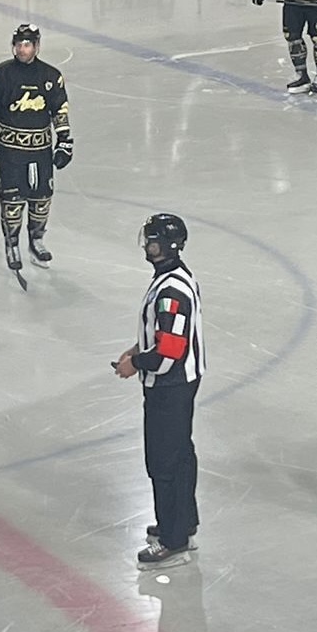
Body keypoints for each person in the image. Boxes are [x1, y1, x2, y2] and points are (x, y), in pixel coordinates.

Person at [113, 213, 205, 572]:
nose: (147, 248)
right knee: (180, 454)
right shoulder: (174, 277)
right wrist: (138, 349)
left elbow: (169, 352)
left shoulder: (171, 291)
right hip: (179, 383)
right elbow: (163, 336)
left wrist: (136, 364)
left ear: (168, 245)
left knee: (164, 461)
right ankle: (182, 521)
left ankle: (173, 540)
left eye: (152, 242)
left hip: (170, 386)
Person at [0, 24, 73, 274]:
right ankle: (12, 243)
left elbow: (59, 111)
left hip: (41, 150)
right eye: (19, 44)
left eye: (27, 44)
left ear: (37, 46)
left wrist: (64, 141)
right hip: (11, 151)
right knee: (12, 200)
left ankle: (36, 240)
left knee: (42, 198)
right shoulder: (1, 75)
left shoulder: (51, 76)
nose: (22, 49)